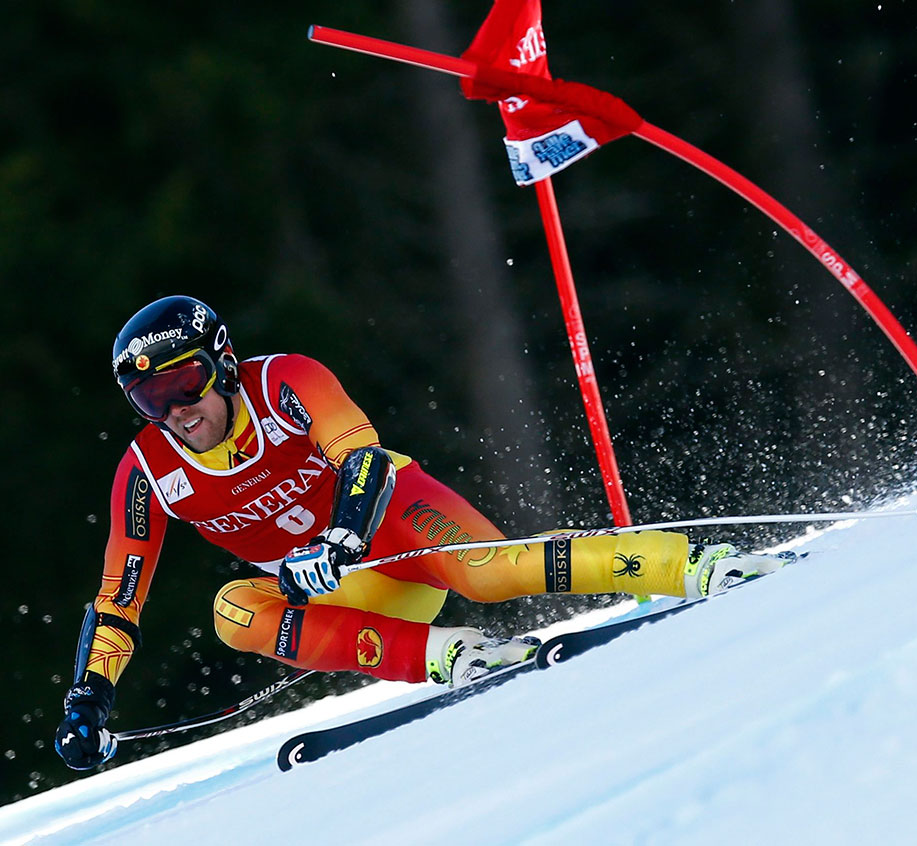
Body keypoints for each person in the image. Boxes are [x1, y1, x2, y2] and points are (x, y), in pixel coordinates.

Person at [54, 295, 791, 770]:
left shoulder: (285, 382)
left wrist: (341, 538)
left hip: (389, 519)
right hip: (351, 584)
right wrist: (89, 699)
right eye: (150, 398)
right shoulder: (149, 471)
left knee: (488, 574)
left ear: (221, 365)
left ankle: (690, 565)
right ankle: (449, 656)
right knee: (232, 613)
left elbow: (362, 457)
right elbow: (120, 598)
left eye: (184, 384)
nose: (175, 411)